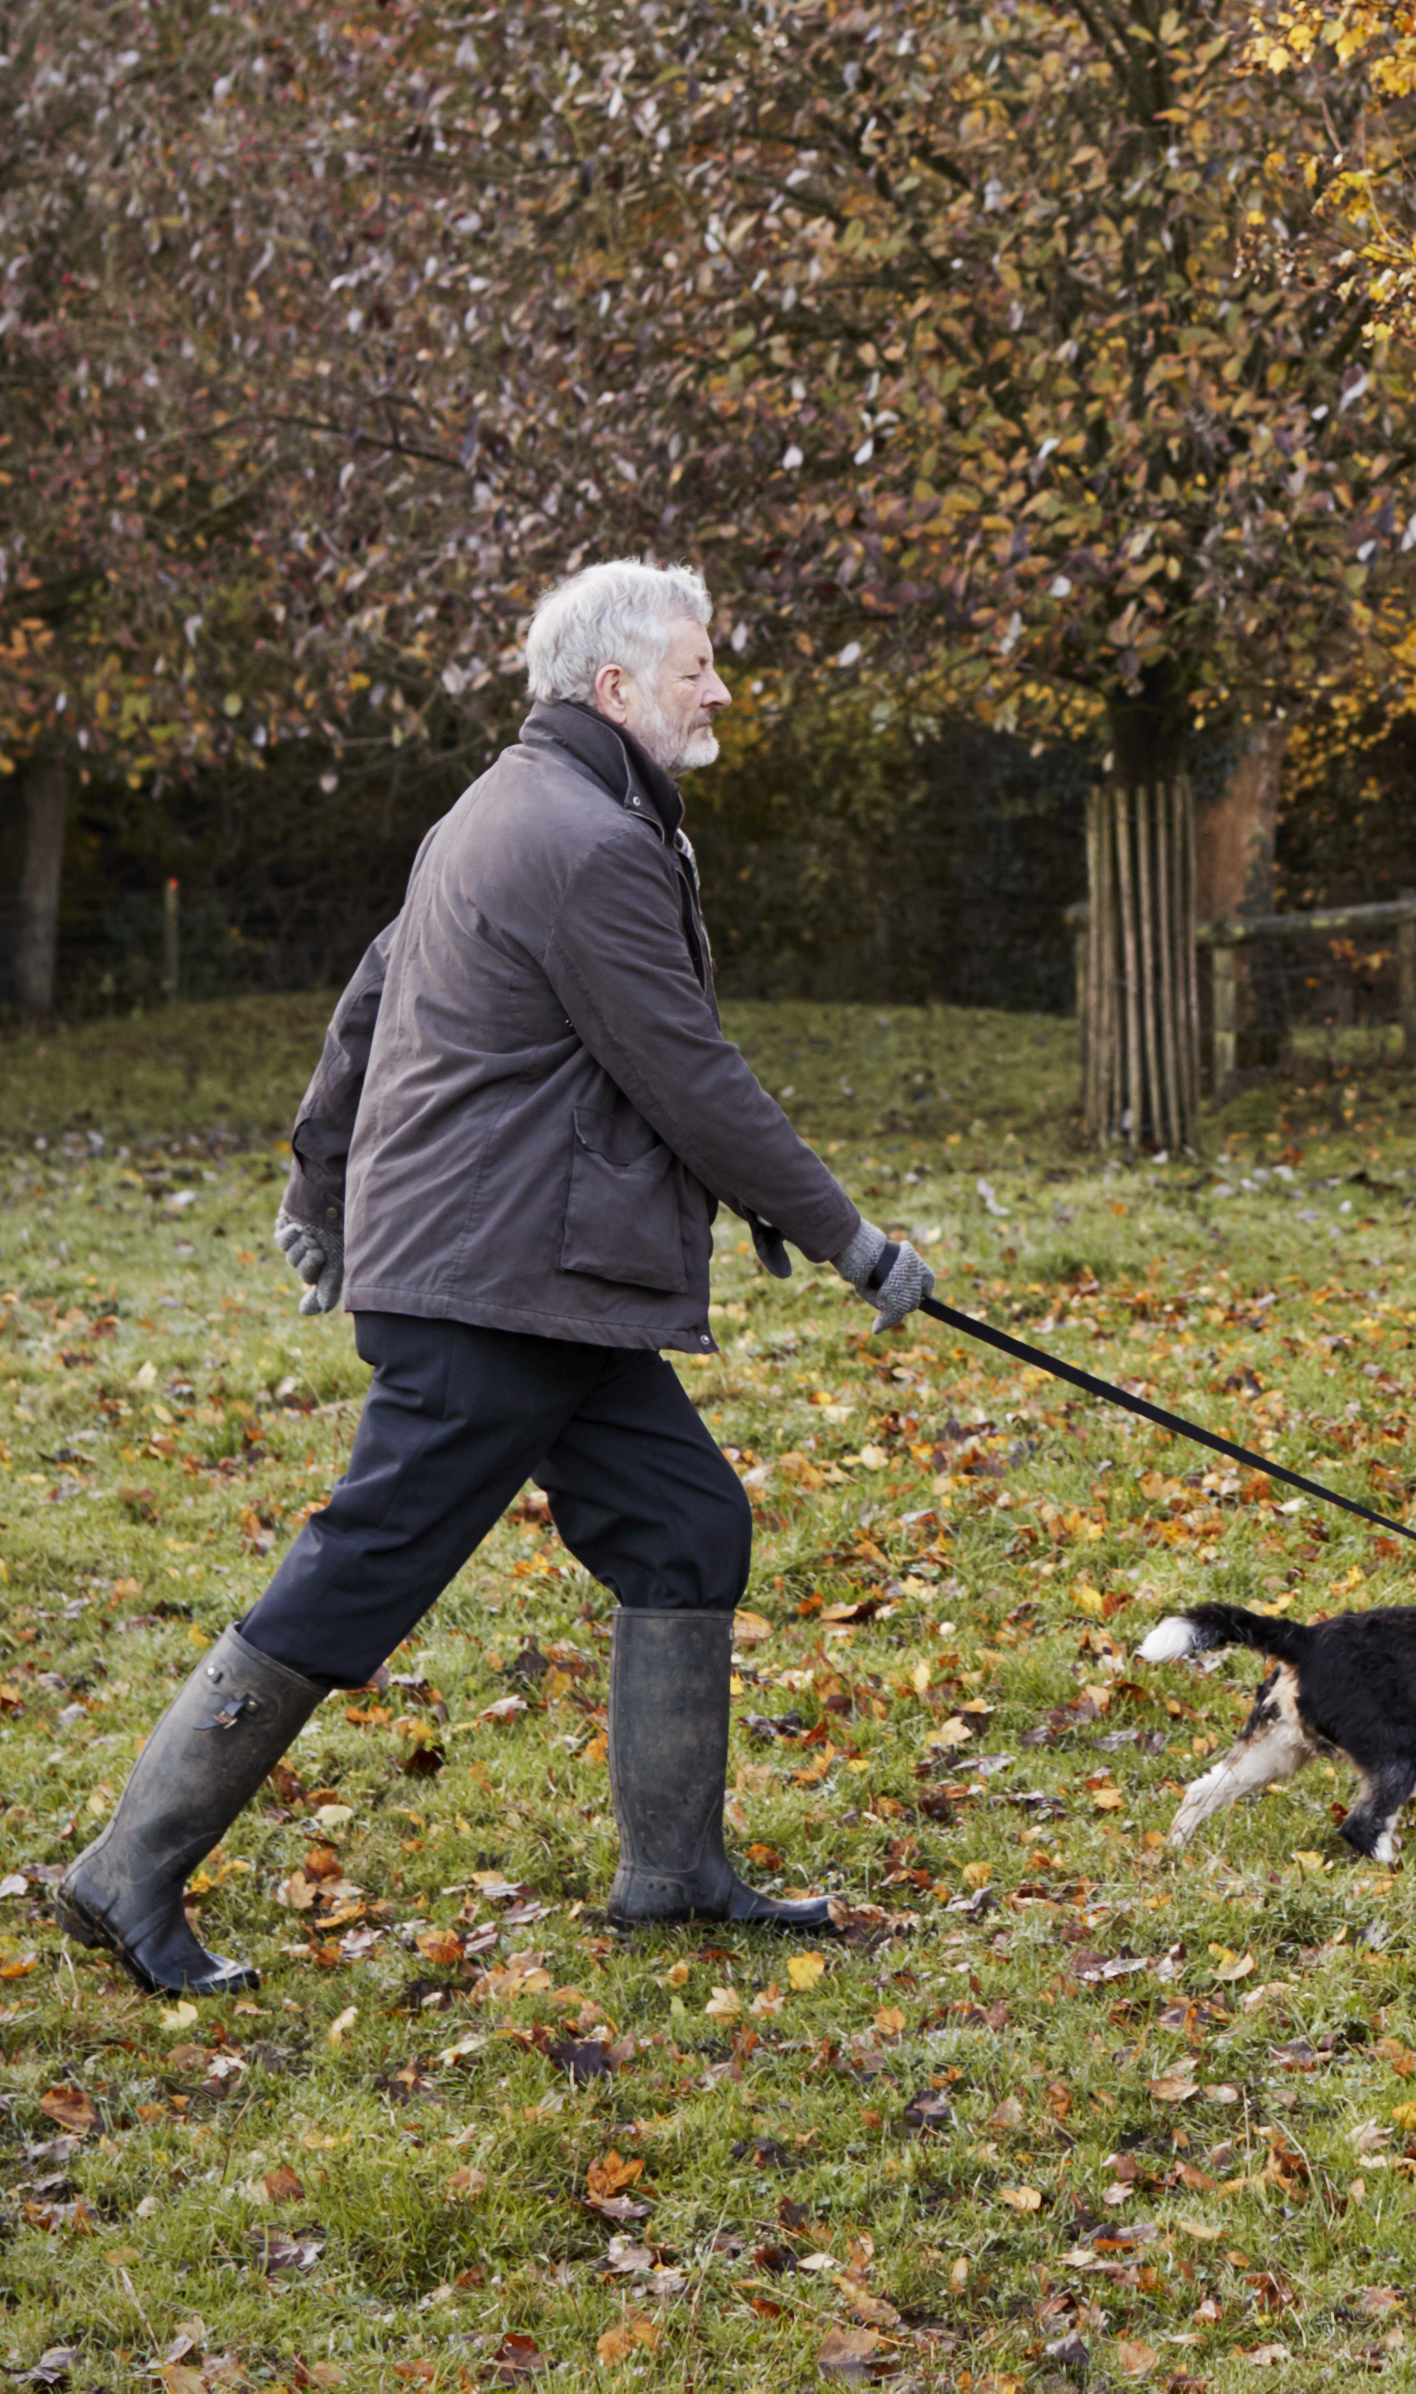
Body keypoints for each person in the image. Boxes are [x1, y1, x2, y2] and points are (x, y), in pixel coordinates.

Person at [50, 559, 939, 1998]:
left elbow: (368, 996)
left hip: (533, 1272)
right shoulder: (584, 841)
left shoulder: (506, 809)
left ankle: (672, 1874)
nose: (717, 689)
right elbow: (688, 1072)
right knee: (363, 1567)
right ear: (614, 689)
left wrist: (320, 1184)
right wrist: (849, 1237)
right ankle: (126, 1872)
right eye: (697, 667)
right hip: (499, 1280)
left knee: (684, 1523)